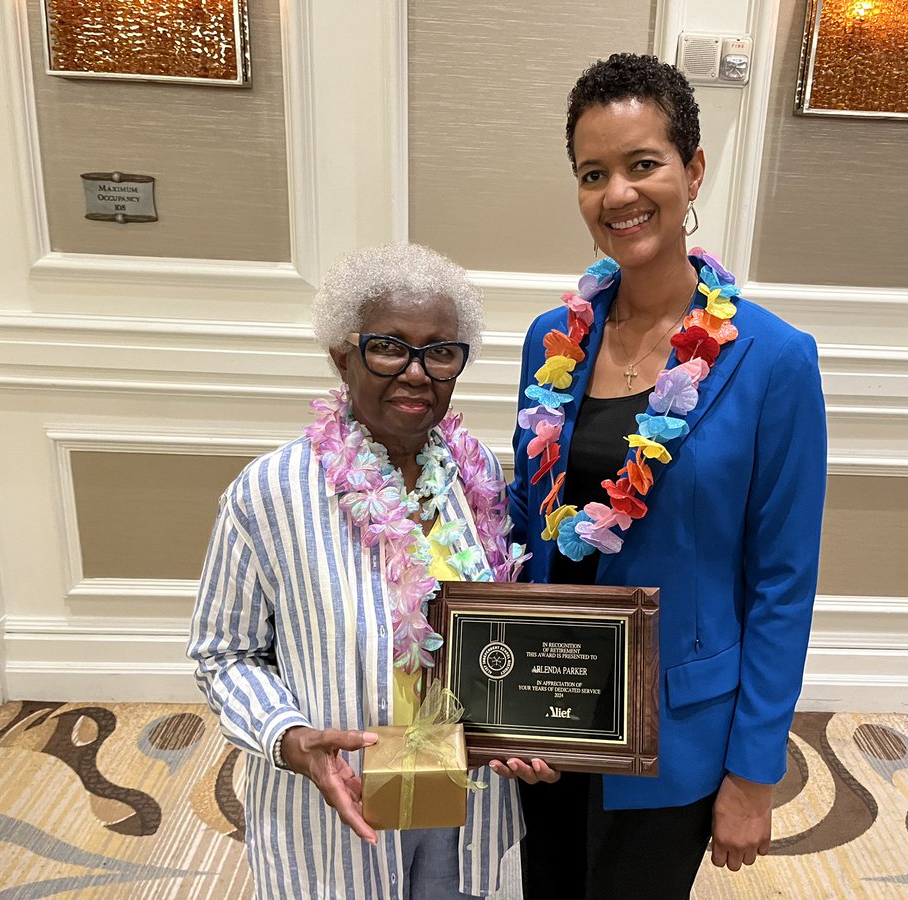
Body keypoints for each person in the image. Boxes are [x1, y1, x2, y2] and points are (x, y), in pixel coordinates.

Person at [503, 53, 827, 899]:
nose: (618, 194)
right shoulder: (552, 340)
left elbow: (784, 583)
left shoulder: (774, 360)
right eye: (592, 173)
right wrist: (497, 698)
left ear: (693, 171)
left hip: (673, 724)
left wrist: (754, 774)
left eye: (643, 164)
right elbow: (527, 520)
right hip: (552, 704)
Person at [189, 242, 529, 899]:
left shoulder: (474, 472)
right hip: (339, 792)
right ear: (342, 355)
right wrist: (288, 738)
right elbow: (222, 653)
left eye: (440, 351)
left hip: (459, 780)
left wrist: (529, 722)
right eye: (388, 346)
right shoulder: (271, 492)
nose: (416, 372)